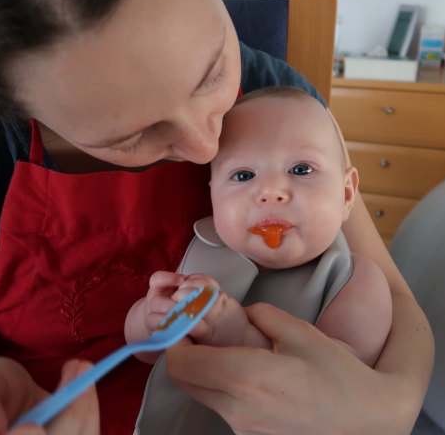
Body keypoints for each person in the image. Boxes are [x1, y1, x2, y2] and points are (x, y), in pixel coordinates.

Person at [0, 0, 434, 435]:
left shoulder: (282, 105)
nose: (205, 146)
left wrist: (390, 406)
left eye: (213, 71)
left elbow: (394, 301)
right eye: (128, 137)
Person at [126, 86, 393, 433]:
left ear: (346, 194)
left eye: (300, 169)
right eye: (243, 176)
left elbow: (337, 391)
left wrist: (237, 334)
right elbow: (146, 353)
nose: (269, 192)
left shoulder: (356, 280)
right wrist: (149, 320)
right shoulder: (204, 249)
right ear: (213, 197)